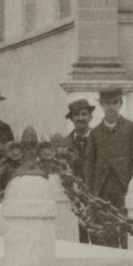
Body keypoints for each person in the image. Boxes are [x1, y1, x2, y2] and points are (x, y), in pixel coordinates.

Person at [82, 87, 133, 250]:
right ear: (101, 105)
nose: (111, 107)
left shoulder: (131, 128)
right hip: (102, 190)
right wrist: (90, 193)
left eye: (114, 103)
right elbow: (89, 166)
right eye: (107, 103)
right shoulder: (95, 133)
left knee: (127, 229)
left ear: (120, 103)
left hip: (124, 187)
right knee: (106, 232)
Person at [60, 99, 96, 243]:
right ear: (71, 118)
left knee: (100, 242)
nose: (81, 118)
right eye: (76, 115)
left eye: (84, 114)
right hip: (73, 201)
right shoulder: (64, 143)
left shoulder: (100, 140)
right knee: (76, 241)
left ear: (90, 117)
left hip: (96, 198)